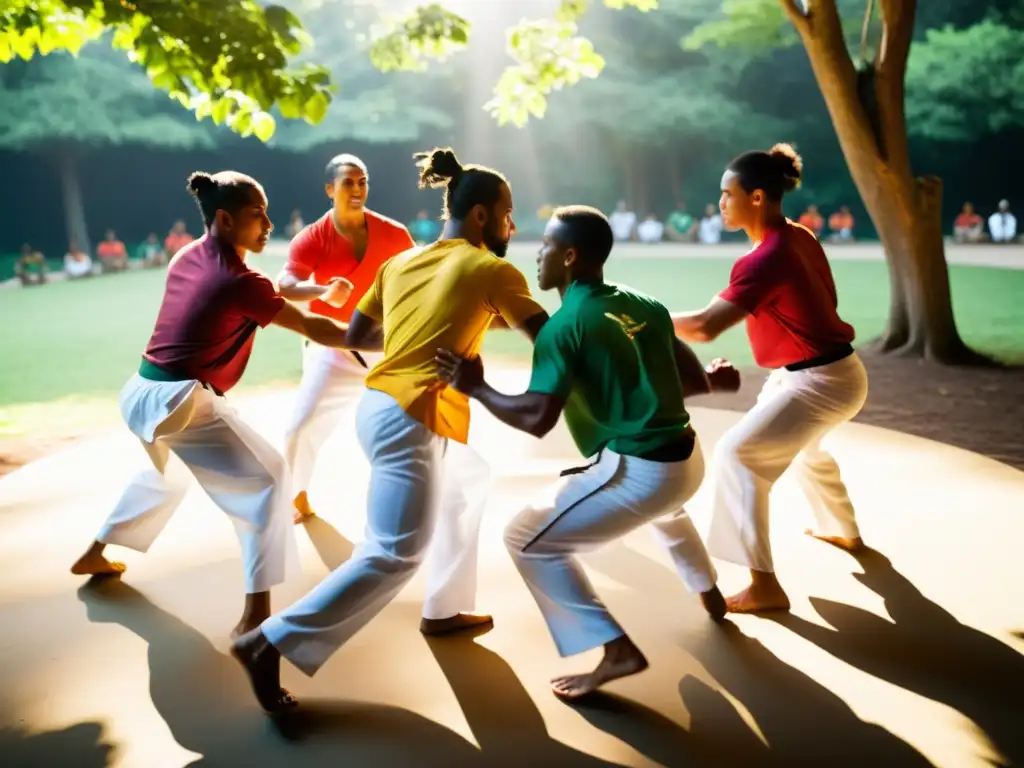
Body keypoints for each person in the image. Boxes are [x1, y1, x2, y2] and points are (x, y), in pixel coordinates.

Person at [230, 147, 549, 714]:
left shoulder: (399, 264)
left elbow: (356, 335)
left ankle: (446, 607)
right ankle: (267, 641)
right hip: (409, 418)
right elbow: (548, 340)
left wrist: (423, 338)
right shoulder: (492, 269)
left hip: (378, 406)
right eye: (506, 213)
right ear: (480, 217)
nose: (512, 225)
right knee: (394, 554)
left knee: (467, 481)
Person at [435, 206, 736, 700]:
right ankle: (710, 594)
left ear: (570, 256)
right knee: (668, 513)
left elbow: (537, 419)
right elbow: (691, 382)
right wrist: (717, 381)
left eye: (548, 245)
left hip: (643, 471)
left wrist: (477, 387)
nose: (539, 253)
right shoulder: (647, 305)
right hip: (687, 462)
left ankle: (615, 650)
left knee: (526, 539)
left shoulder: (563, 326)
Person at [70, 170, 356, 651]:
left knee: (167, 476)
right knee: (268, 479)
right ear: (224, 219)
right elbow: (315, 329)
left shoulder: (190, 255)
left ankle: (95, 552)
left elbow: (266, 295)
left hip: (142, 393)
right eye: (255, 214)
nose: (267, 223)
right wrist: (395, 336)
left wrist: (319, 293)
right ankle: (255, 617)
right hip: (181, 400)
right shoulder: (237, 279)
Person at [670, 144, 868, 614]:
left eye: (727, 194)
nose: (720, 202)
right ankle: (842, 527)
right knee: (805, 448)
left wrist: (640, 315)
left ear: (757, 197)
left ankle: (764, 586)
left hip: (820, 381)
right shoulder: (796, 236)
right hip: (827, 372)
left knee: (738, 454)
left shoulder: (768, 257)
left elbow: (704, 327)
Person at [277, 154, 415, 524]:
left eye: (362, 182)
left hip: (386, 346)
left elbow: (415, 281)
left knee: (409, 428)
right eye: (347, 183)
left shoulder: (395, 233)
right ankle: (295, 496)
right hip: (333, 349)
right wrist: (322, 291)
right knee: (300, 427)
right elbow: (286, 286)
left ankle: (411, 503)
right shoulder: (312, 237)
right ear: (329, 189)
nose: (357, 189)